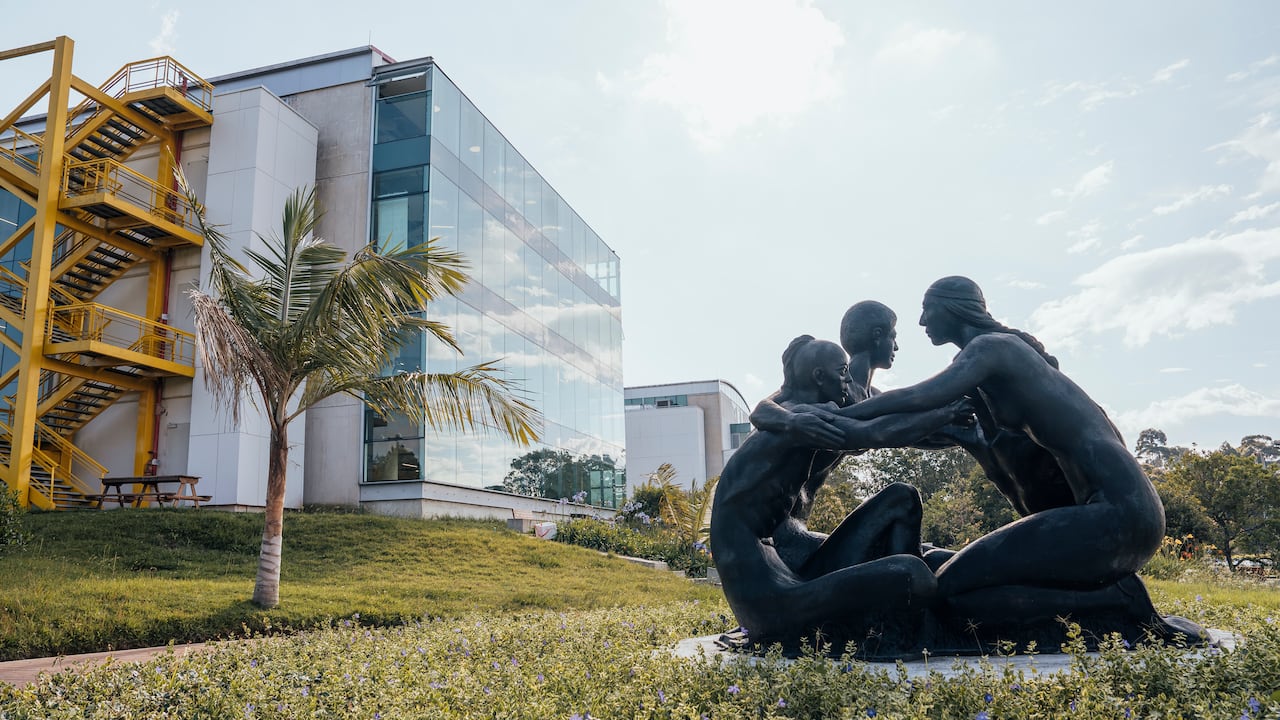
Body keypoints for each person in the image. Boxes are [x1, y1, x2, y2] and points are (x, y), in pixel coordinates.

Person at [826, 277, 1197, 636]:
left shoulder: (992, 349)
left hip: (1119, 514)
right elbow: (915, 422)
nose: (922, 321)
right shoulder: (986, 367)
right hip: (1107, 512)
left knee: (943, 592)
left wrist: (839, 417)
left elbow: (919, 396)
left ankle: (1118, 600)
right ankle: (1105, 599)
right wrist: (849, 411)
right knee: (953, 589)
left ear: (954, 309)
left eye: (928, 309)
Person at [710, 335, 968, 650]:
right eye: (842, 372)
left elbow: (878, 419)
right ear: (820, 377)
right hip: (770, 604)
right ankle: (906, 628)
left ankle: (911, 620)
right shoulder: (802, 422)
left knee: (902, 499)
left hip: (791, 575)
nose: (848, 380)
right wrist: (948, 413)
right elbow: (875, 432)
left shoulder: (797, 414)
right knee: (912, 573)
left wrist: (952, 422)